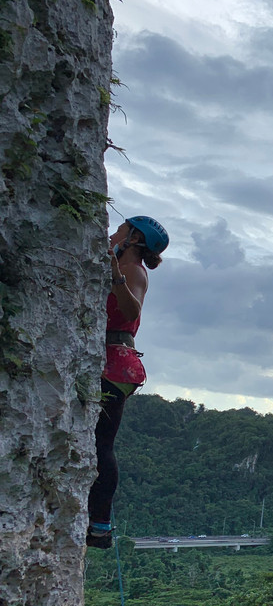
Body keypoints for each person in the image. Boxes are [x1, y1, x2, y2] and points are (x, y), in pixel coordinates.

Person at [86, 216, 169, 549]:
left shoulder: (133, 272)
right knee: (98, 442)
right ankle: (98, 524)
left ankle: (101, 525)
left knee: (101, 444)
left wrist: (115, 273)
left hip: (115, 362)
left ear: (134, 238)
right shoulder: (118, 266)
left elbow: (131, 311)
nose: (112, 234)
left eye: (120, 230)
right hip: (113, 362)